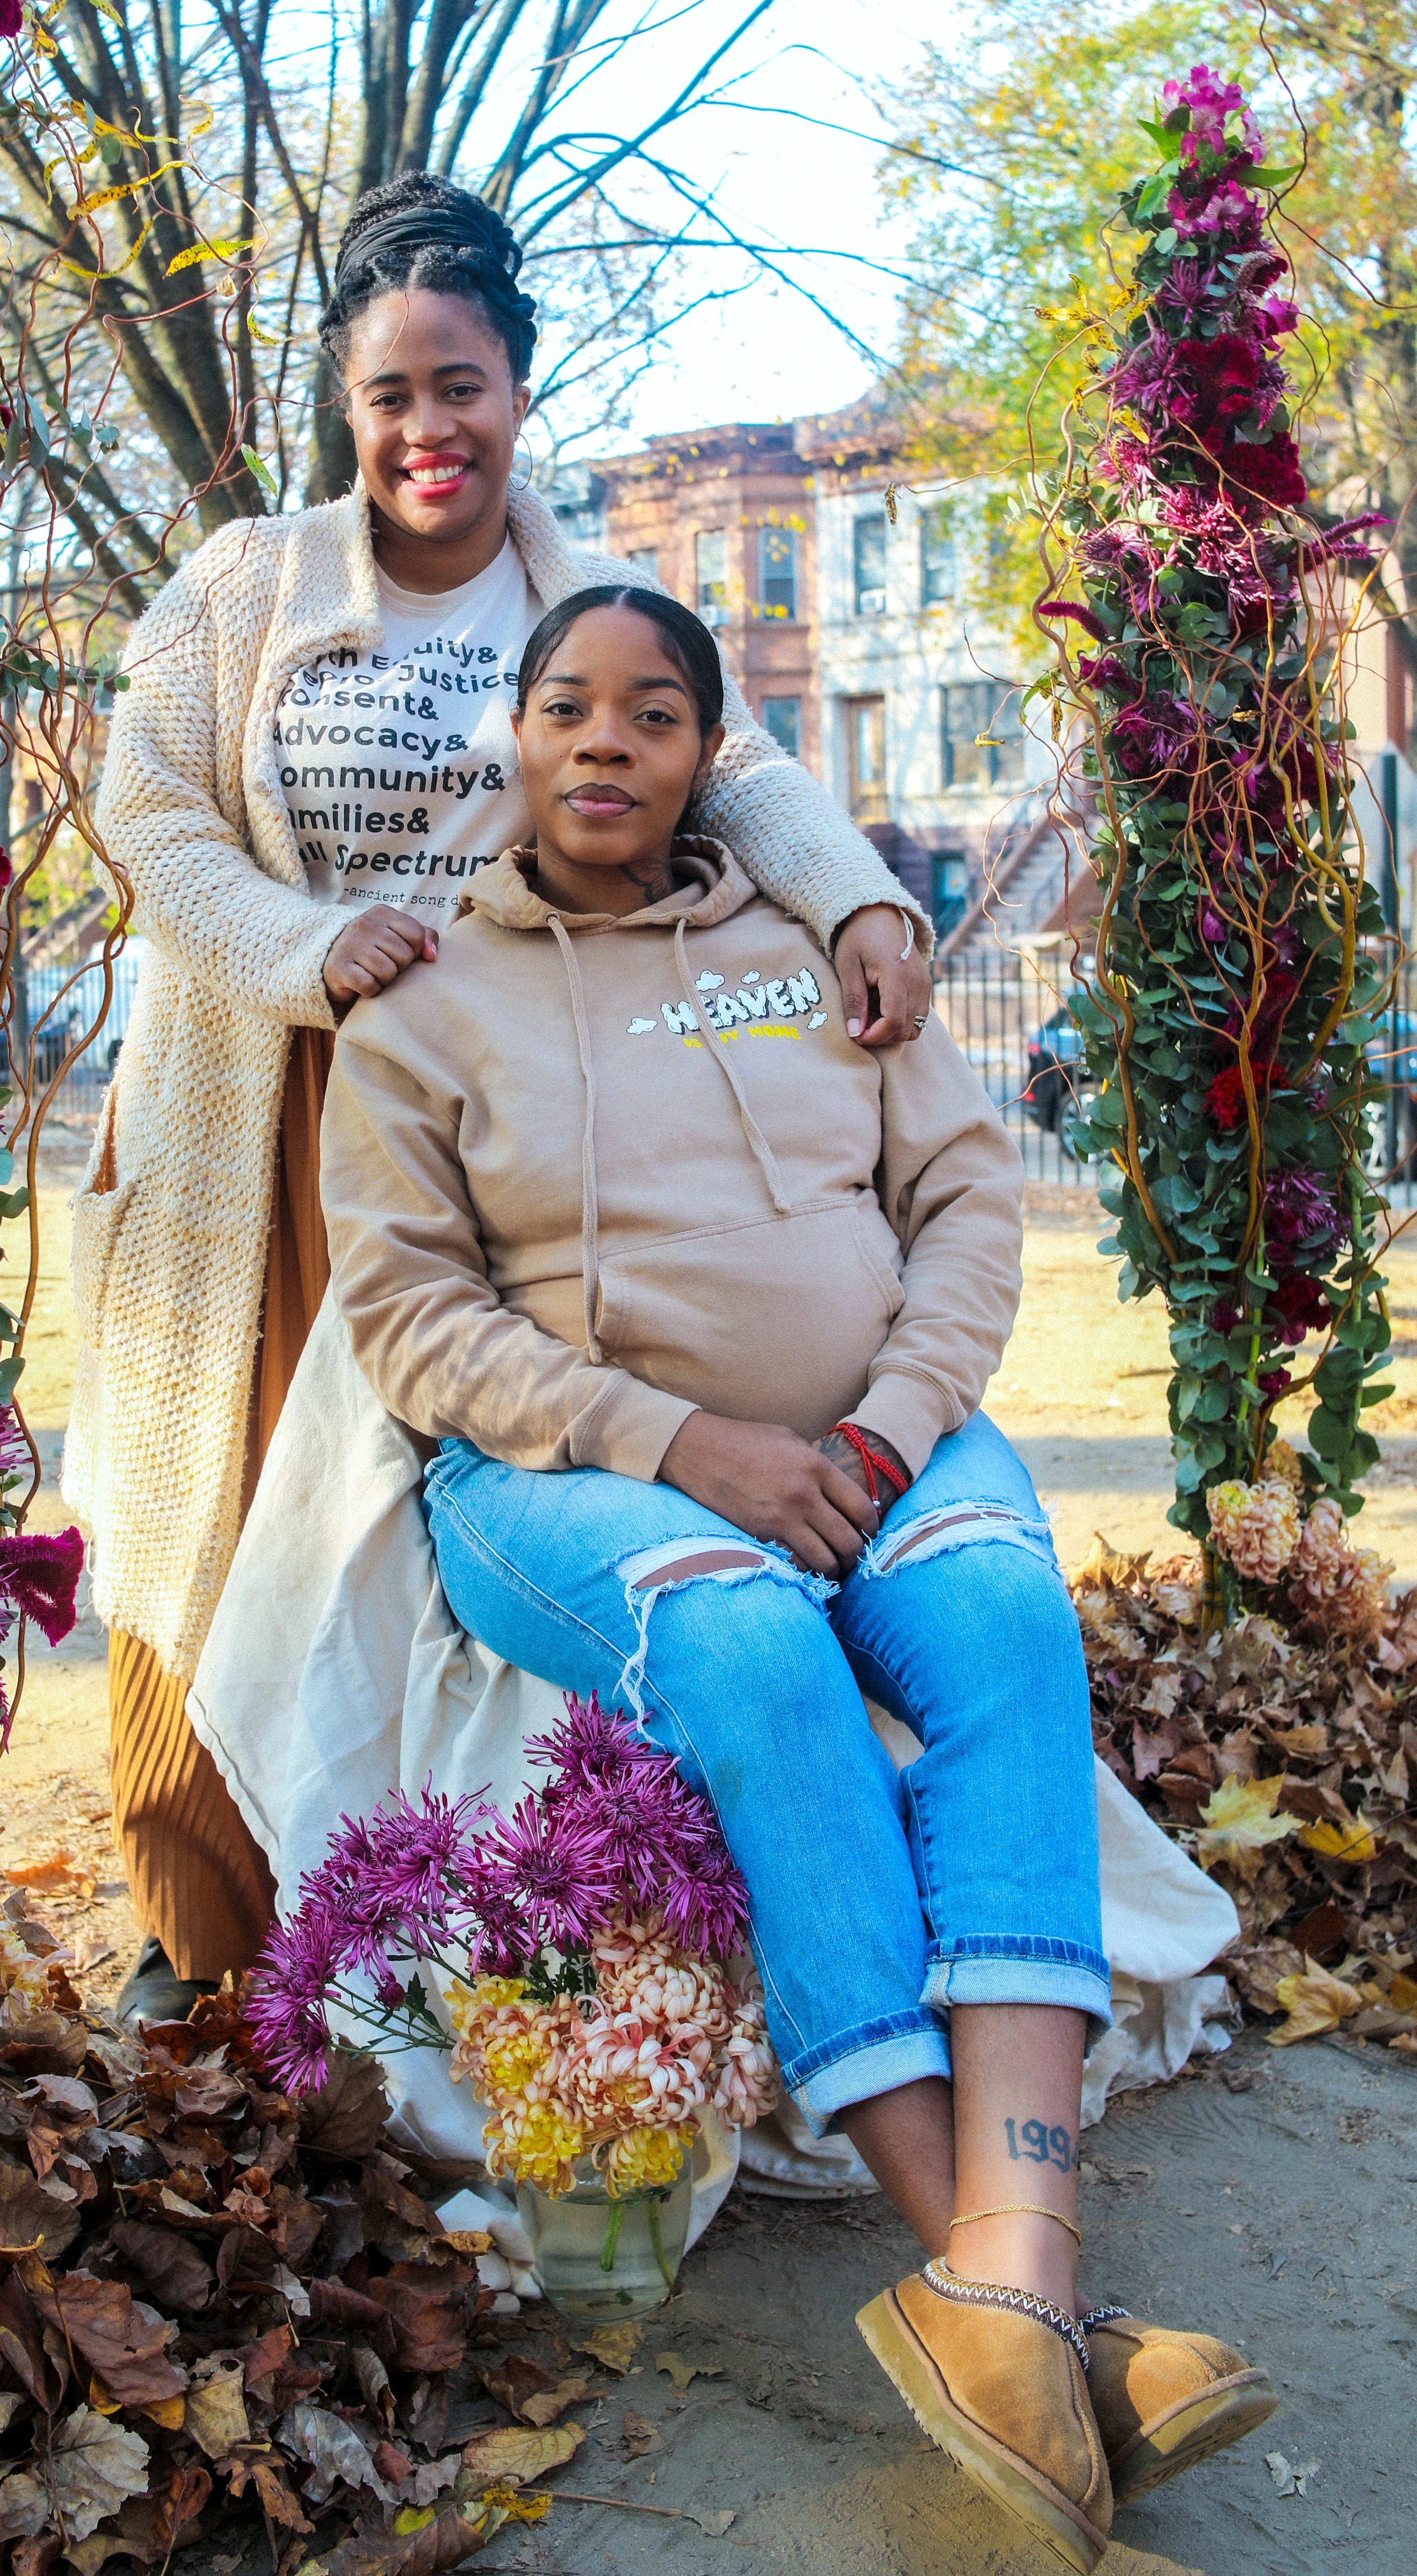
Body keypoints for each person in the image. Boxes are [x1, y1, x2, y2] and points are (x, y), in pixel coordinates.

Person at [318, 586, 1277, 2573]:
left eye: (651, 713)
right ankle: (1033, 2304)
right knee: (752, 1651)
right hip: (563, 1479)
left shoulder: (824, 954)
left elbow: (963, 1201)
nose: (603, 742)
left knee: (1008, 1622)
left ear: (701, 757)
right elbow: (408, 1316)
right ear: (514, 736)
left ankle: (998, 2276)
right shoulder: (417, 1003)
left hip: (878, 1441)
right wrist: (695, 1449)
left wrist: (879, 1426)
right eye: (567, 706)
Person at [65, 171, 934, 2027]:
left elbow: (750, 767)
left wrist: (860, 892)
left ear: (519, 387)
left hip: (493, 1133)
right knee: (211, 1509)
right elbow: (141, 815)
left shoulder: (589, 605)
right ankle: (199, 1919)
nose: (424, 430)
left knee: (437, 1538)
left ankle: (428, 1930)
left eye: (457, 384)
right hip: (255, 1120)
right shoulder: (242, 590)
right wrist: (311, 945)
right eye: (388, 394)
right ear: (346, 407)